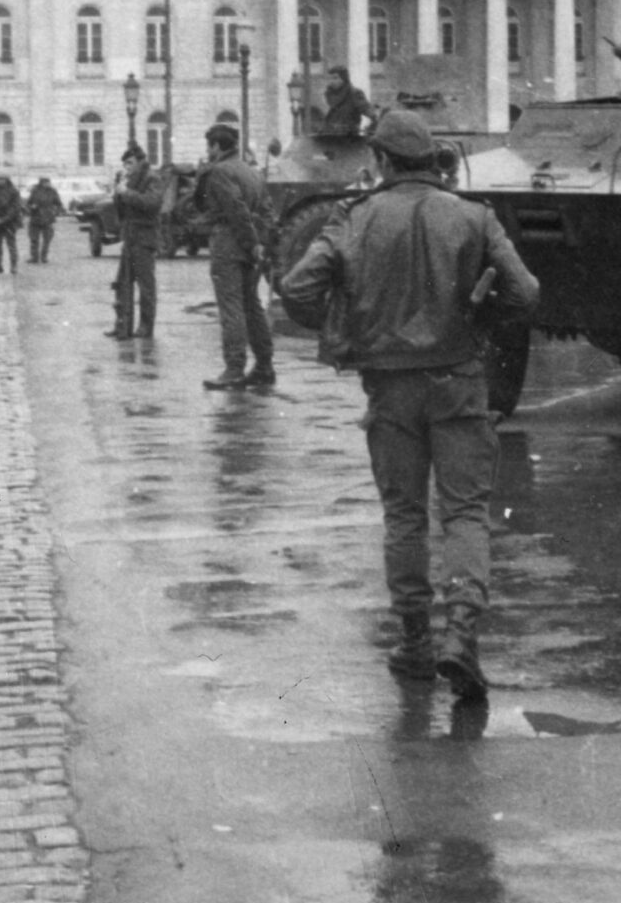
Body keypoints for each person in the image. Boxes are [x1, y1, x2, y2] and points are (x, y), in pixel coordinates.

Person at [278, 107, 539, 699]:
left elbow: (297, 288)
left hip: (389, 386)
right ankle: (463, 637)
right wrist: (478, 320)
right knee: (466, 512)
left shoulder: (354, 218)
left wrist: (350, 325)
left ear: (382, 161)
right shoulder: (475, 217)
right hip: (458, 381)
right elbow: (525, 292)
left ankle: (416, 641)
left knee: (404, 516)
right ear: (430, 160)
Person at [193, 123, 275, 390]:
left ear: (217, 146)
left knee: (231, 308)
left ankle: (234, 368)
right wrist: (259, 244)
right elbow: (265, 211)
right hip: (251, 247)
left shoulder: (219, 172)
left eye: (209, 146)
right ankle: (264, 366)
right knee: (252, 307)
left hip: (229, 244)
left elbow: (234, 209)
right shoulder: (253, 172)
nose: (208, 151)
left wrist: (250, 243)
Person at [105, 147, 167, 340]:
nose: (127, 167)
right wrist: (118, 192)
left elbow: (152, 203)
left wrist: (127, 192)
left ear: (140, 162)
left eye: (130, 163)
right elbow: (122, 209)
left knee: (146, 285)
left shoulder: (152, 178)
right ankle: (123, 325)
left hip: (145, 237)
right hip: (130, 237)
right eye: (125, 164)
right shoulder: (130, 179)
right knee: (122, 283)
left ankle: (146, 327)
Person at [310, 65, 375, 138]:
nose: (331, 81)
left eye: (335, 78)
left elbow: (369, 112)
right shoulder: (330, 95)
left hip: (348, 140)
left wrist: (371, 125)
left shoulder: (354, 93)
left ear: (344, 79)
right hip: (331, 139)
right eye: (330, 78)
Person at [0, 172, 24, 273]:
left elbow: (15, 208)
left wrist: (5, 218)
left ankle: (13, 266)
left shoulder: (13, 191)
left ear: (7, 179)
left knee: (11, 245)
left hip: (9, 223)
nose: (0, 181)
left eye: (2, 179)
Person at [26, 176, 64, 264]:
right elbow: (28, 203)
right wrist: (31, 207)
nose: (47, 184)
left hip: (48, 218)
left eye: (48, 182)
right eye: (45, 182)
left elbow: (59, 204)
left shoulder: (52, 192)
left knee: (47, 239)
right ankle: (34, 257)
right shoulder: (35, 191)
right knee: (34, 239)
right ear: (41, 183)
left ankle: (44, 257)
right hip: (35, 217)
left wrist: (55, 212)